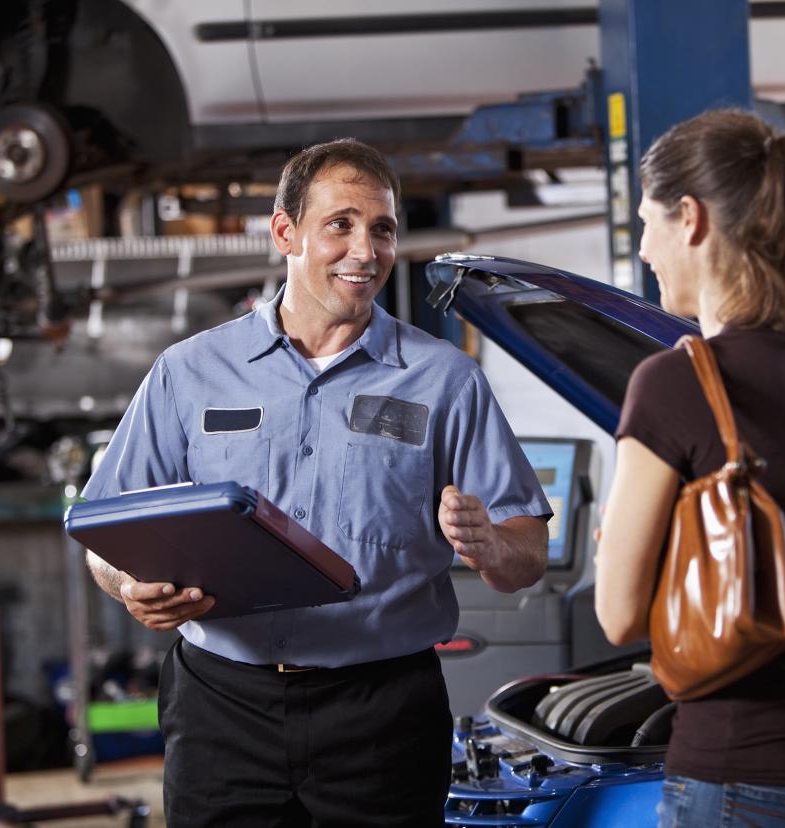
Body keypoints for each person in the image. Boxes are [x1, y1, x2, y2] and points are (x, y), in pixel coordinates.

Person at [83, 138, 552, 827]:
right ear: (285, 231)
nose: (366, 251)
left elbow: (528, 553)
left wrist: (490, 547)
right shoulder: (188, 374)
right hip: (222, 707)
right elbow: (105, 531)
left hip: (383, 715)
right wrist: (129, 586)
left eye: (383, 229)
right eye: (341, 224)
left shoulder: (444, 381)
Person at [594, 110, 785, 828]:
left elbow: (617, 613)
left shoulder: (675, 384)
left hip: (745, 777)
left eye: (647, 222)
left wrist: (622, 539)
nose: (643, 249)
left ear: (691, 220)